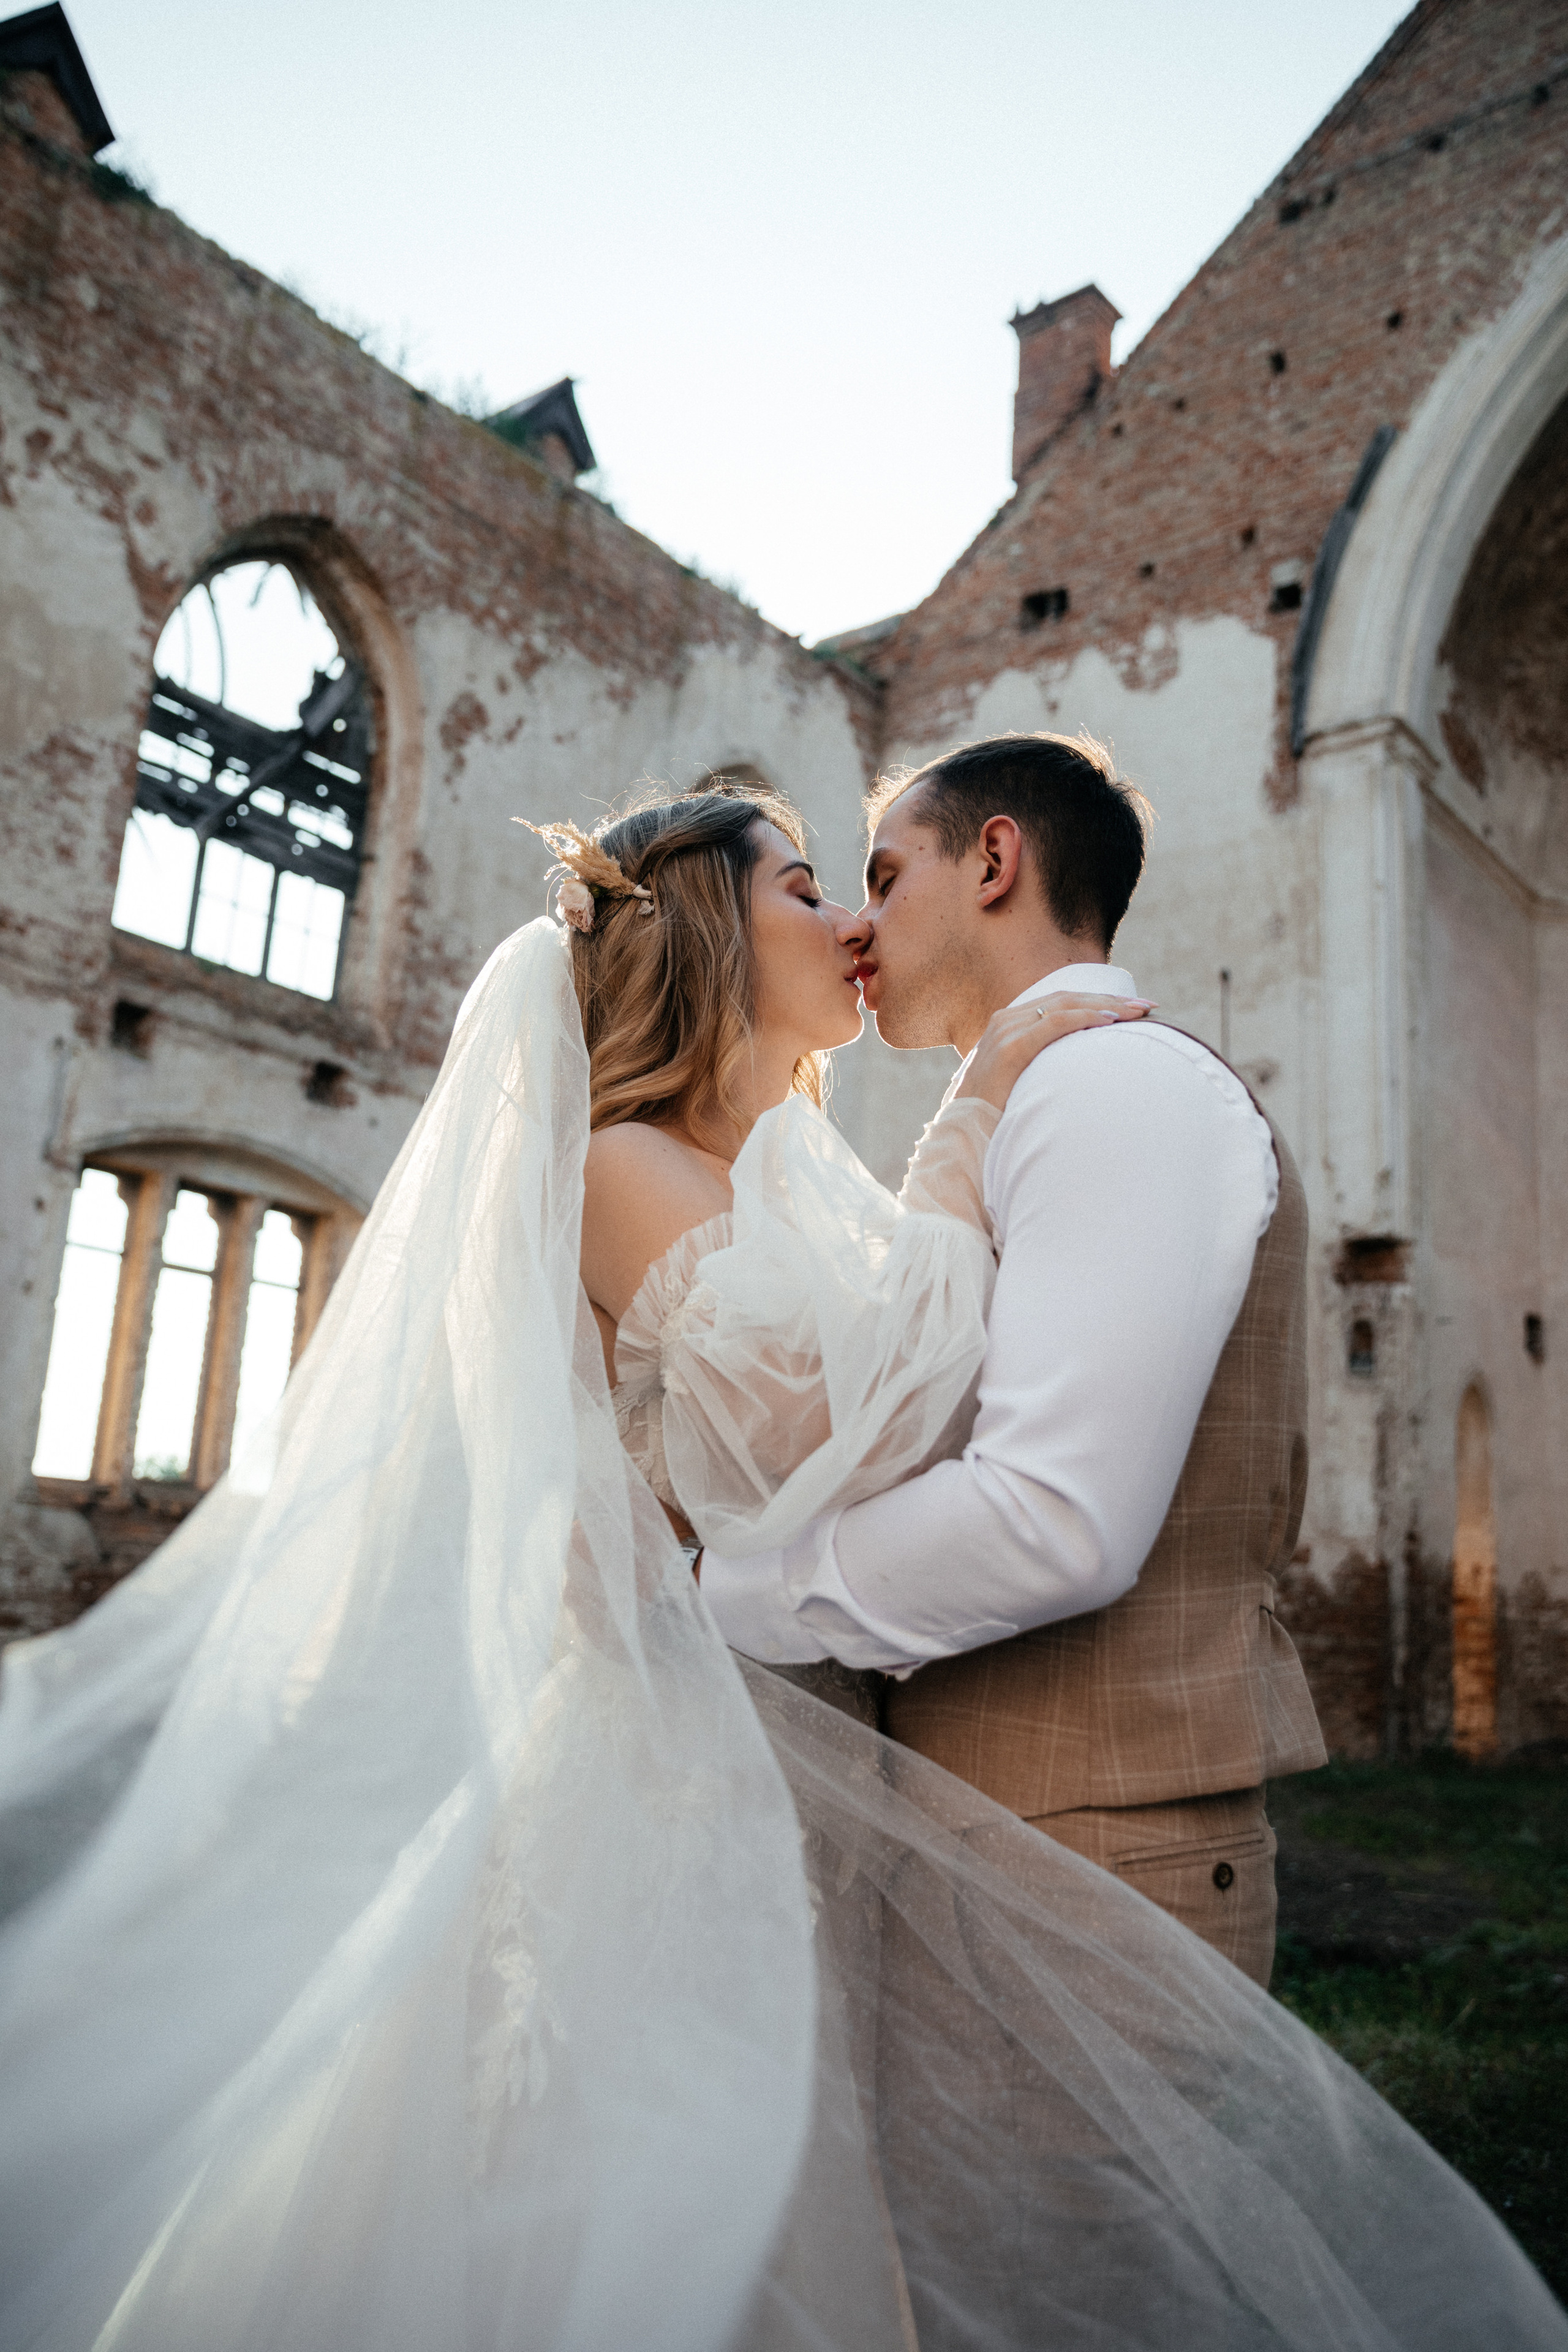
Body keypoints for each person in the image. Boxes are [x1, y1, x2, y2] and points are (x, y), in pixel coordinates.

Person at [0, 781, 1561, 2352]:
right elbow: (858, 1425)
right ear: (707, 942)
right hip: (689, 1778)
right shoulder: (619, 1164)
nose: (853, 923)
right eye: (813, 888)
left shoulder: (798, 1176)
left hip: (815, 1765)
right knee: (675, 2212)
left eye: (864, 882)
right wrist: (970, 1124)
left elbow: (937, 1398)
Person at [695, 734, 1325, 1989]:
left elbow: (1049, 1519)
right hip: (997, 1839)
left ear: (993, 860)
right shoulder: (1023, 1100)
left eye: (883, 878)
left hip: (1084, 1864)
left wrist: (723, 1596)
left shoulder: (1111, 1085)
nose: (857, 928)